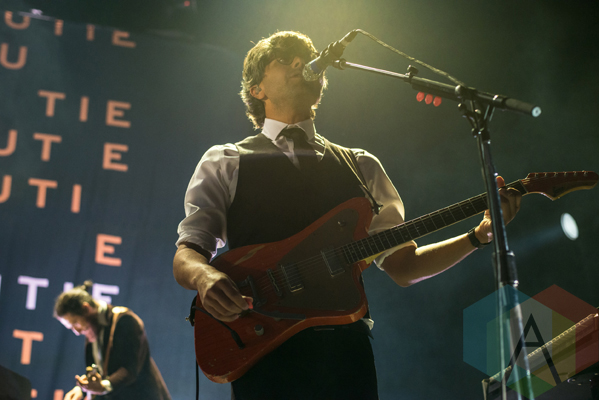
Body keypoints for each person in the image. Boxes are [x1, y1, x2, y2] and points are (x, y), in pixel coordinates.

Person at [173, 31, 521, 399]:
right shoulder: (226, 161)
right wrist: (205, 277)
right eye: (285, 59)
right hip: (265, 352)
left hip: (346, 354)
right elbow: (187, 254)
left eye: (305, 56)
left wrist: (479, 236)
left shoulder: (361, 166)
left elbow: (404, 266)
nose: (300, 62)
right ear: (257, 89)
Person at [54, 281, 171, 400]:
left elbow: (129, 370)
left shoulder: (125, 320)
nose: (77, 332)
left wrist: (103, 387)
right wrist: (81, 389)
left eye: (75, 323)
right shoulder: (90, 327)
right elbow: (99, 371)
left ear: (86, 308)